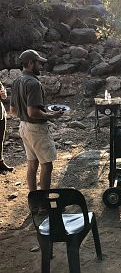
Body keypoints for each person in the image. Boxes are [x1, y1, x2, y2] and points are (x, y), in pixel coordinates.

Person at [10, 49, 64, 193]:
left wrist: (33, 114)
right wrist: (52, 116)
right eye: (39, 63)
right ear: (30, 63)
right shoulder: (33, 83)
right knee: (47, 165)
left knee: (32, 165)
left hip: (23, 127)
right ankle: (44, 203)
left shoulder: (17, 81)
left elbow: (13, 111)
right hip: (36, 129)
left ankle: (34, 201)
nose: (41, 66)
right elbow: (32, 112)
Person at [0, 82, 14, 173]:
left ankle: (0, 162)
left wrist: (3, 93)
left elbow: (4, 96)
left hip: (1, 113)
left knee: (0, 139)